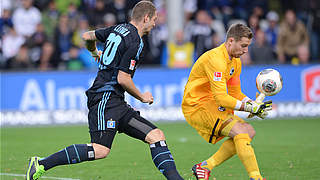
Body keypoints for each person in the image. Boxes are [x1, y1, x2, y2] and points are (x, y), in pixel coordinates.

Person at [26, 1, 184, 180]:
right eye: (154, 19)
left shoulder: (118, 28)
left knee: (156, 135)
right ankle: (41, 164)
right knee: (100, 150)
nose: (155, 23)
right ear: (146, 18)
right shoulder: (136, 42)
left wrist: (94, 52)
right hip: (105, 99)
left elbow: (87, 36)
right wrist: (142, 97)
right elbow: (123, 79)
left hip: (116, 102)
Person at [181, 23, 272, 180]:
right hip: (197, 105)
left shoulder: (235, 61)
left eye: (248, 46)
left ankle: (205, 167)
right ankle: (256, 177)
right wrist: (249, 107)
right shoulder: (216, 59)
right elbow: (222, 98)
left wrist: (252, 105)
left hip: (211, 104)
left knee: (248, 132)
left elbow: (235, 93)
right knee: (241, 131)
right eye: (243, 45)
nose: (245, 50)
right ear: (231, 41)